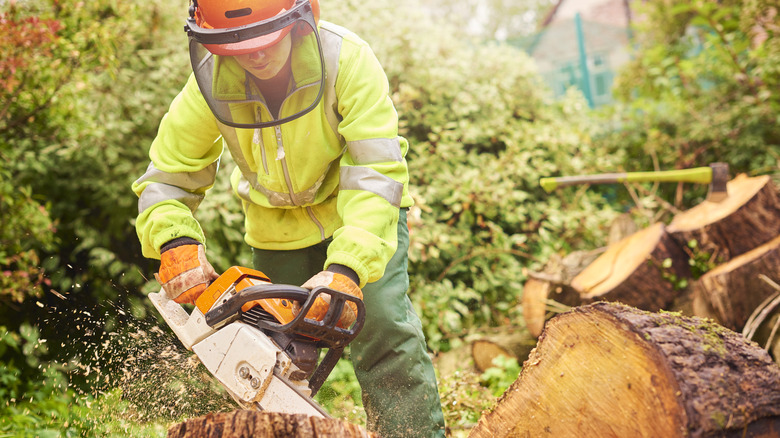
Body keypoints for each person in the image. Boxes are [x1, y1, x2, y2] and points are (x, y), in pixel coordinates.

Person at [131, 0, 446, 436]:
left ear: (301, 20)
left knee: (384, 333)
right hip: (277, 230)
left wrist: (346, 268)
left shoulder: (346, 59)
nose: (254, 54)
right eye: (236, 44)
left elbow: (377, 175)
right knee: (271, 353)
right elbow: (166, 176)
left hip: (358, 220)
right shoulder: (210, 82)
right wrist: (173, 240)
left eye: (265, 39)